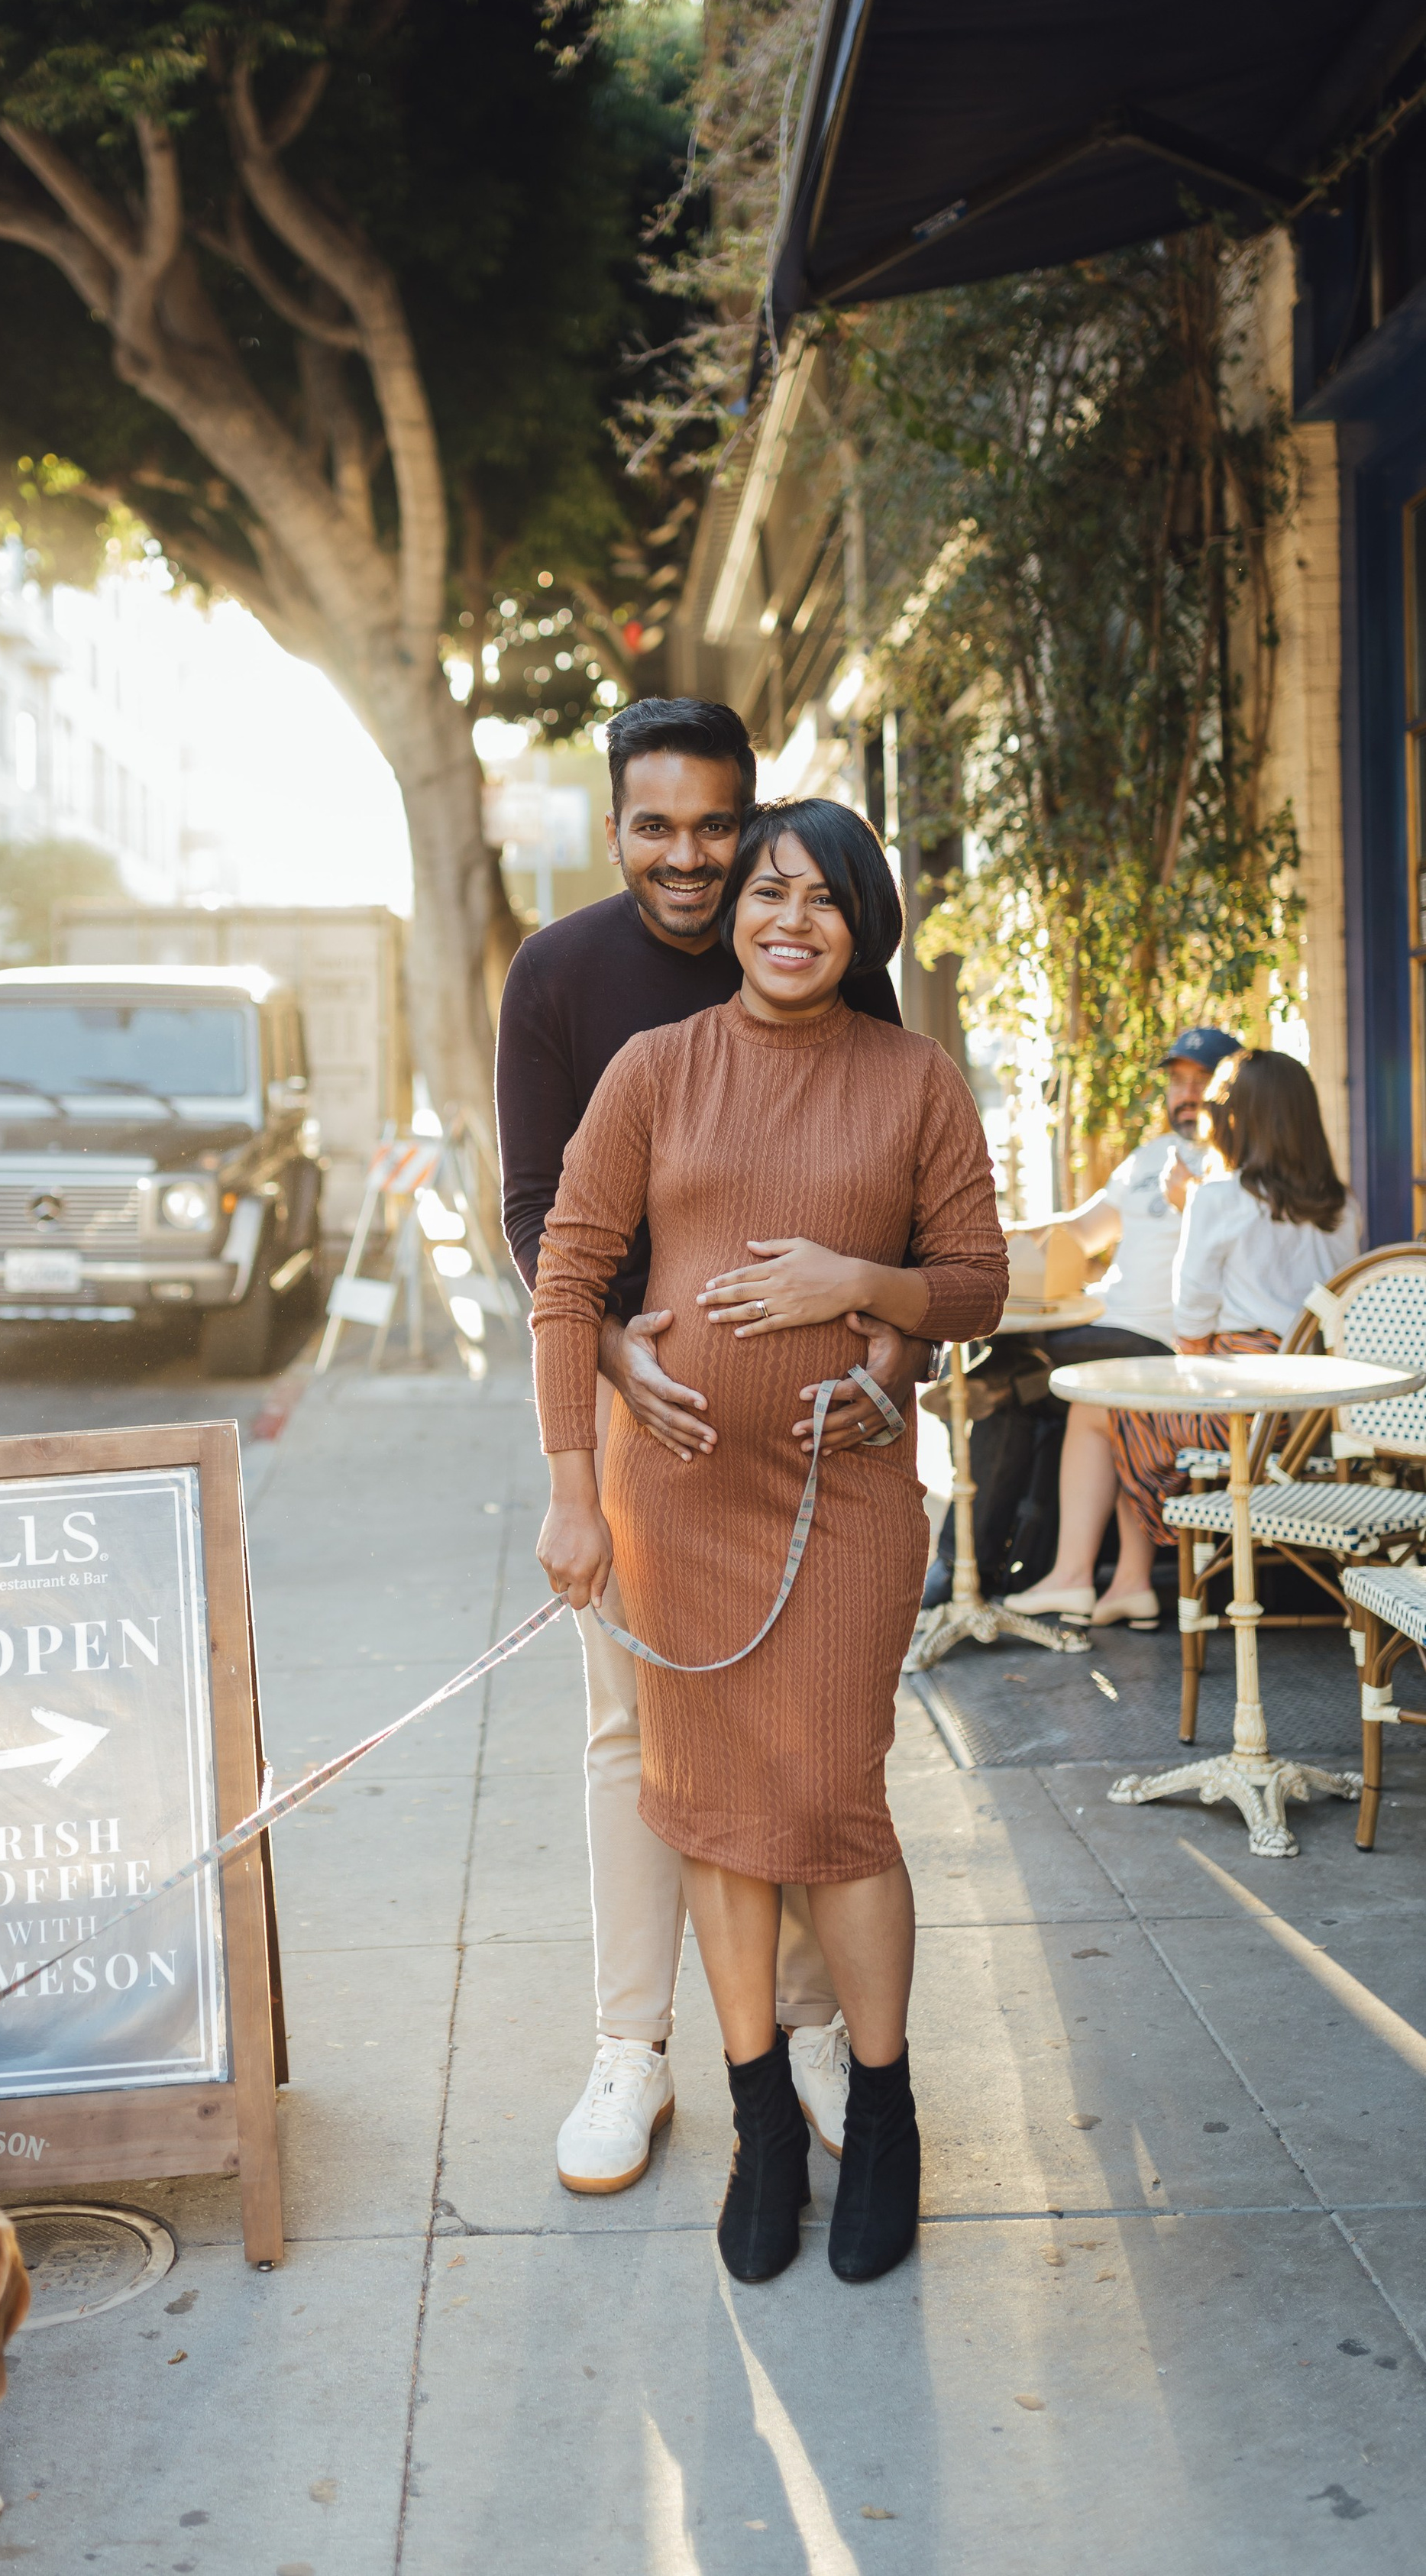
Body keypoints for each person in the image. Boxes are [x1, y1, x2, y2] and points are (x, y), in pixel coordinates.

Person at [529, 800, 1007, 2284]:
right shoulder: (652, 1069)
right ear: (732, 910)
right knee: (709, 1813)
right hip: (672, 1505)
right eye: (764, 892)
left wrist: (852, 1287)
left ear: (863, 924)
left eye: (820, 898)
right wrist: (570, 1486)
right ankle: (758, 2124)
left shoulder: (914, 1080)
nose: (785, 919)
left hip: (844, 1501)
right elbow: (565, 1273)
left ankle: (885, 2101)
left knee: (833, 1804)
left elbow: (976, 1283)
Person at [497, 701, 926, 2199]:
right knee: (642, 1745)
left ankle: (811, 2031)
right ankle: (636, 2048)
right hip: (650, 1444)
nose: (689, 862)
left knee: (803, 1753)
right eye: (654, 828)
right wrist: (612, 1366)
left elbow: (911, 1231)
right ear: (614, 823)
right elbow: (540, 1225)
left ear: (754, 824)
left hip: (825, 1475)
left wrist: (885, 1342)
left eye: (715, 832)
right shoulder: (562, 978)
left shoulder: (845, 982)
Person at [1002, 1024, 1243, 1627]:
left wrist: (1196, 1204)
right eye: (1177, 1082)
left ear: (1231, 1090)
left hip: (1161, 1339)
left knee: (1018, 1374)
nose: (1186, 1095)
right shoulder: (1150, 1156)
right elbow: (1084, 1232)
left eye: (1201, 1081)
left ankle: (988, 1570)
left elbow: (1235, 1272)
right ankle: (1063, 1575)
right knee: (1017, 1366)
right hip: (1106, 1319)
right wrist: (1003, 1235)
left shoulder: (1236, 1163)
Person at [1107, 1050, 1361, 1556]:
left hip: (1245, 1412)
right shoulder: (1342, 1206)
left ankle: (1156, 1549)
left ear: (1230, 1120)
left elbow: (1192, 1320)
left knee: (1109, 1412)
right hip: (1318, 1413)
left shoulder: (1216, 1197)